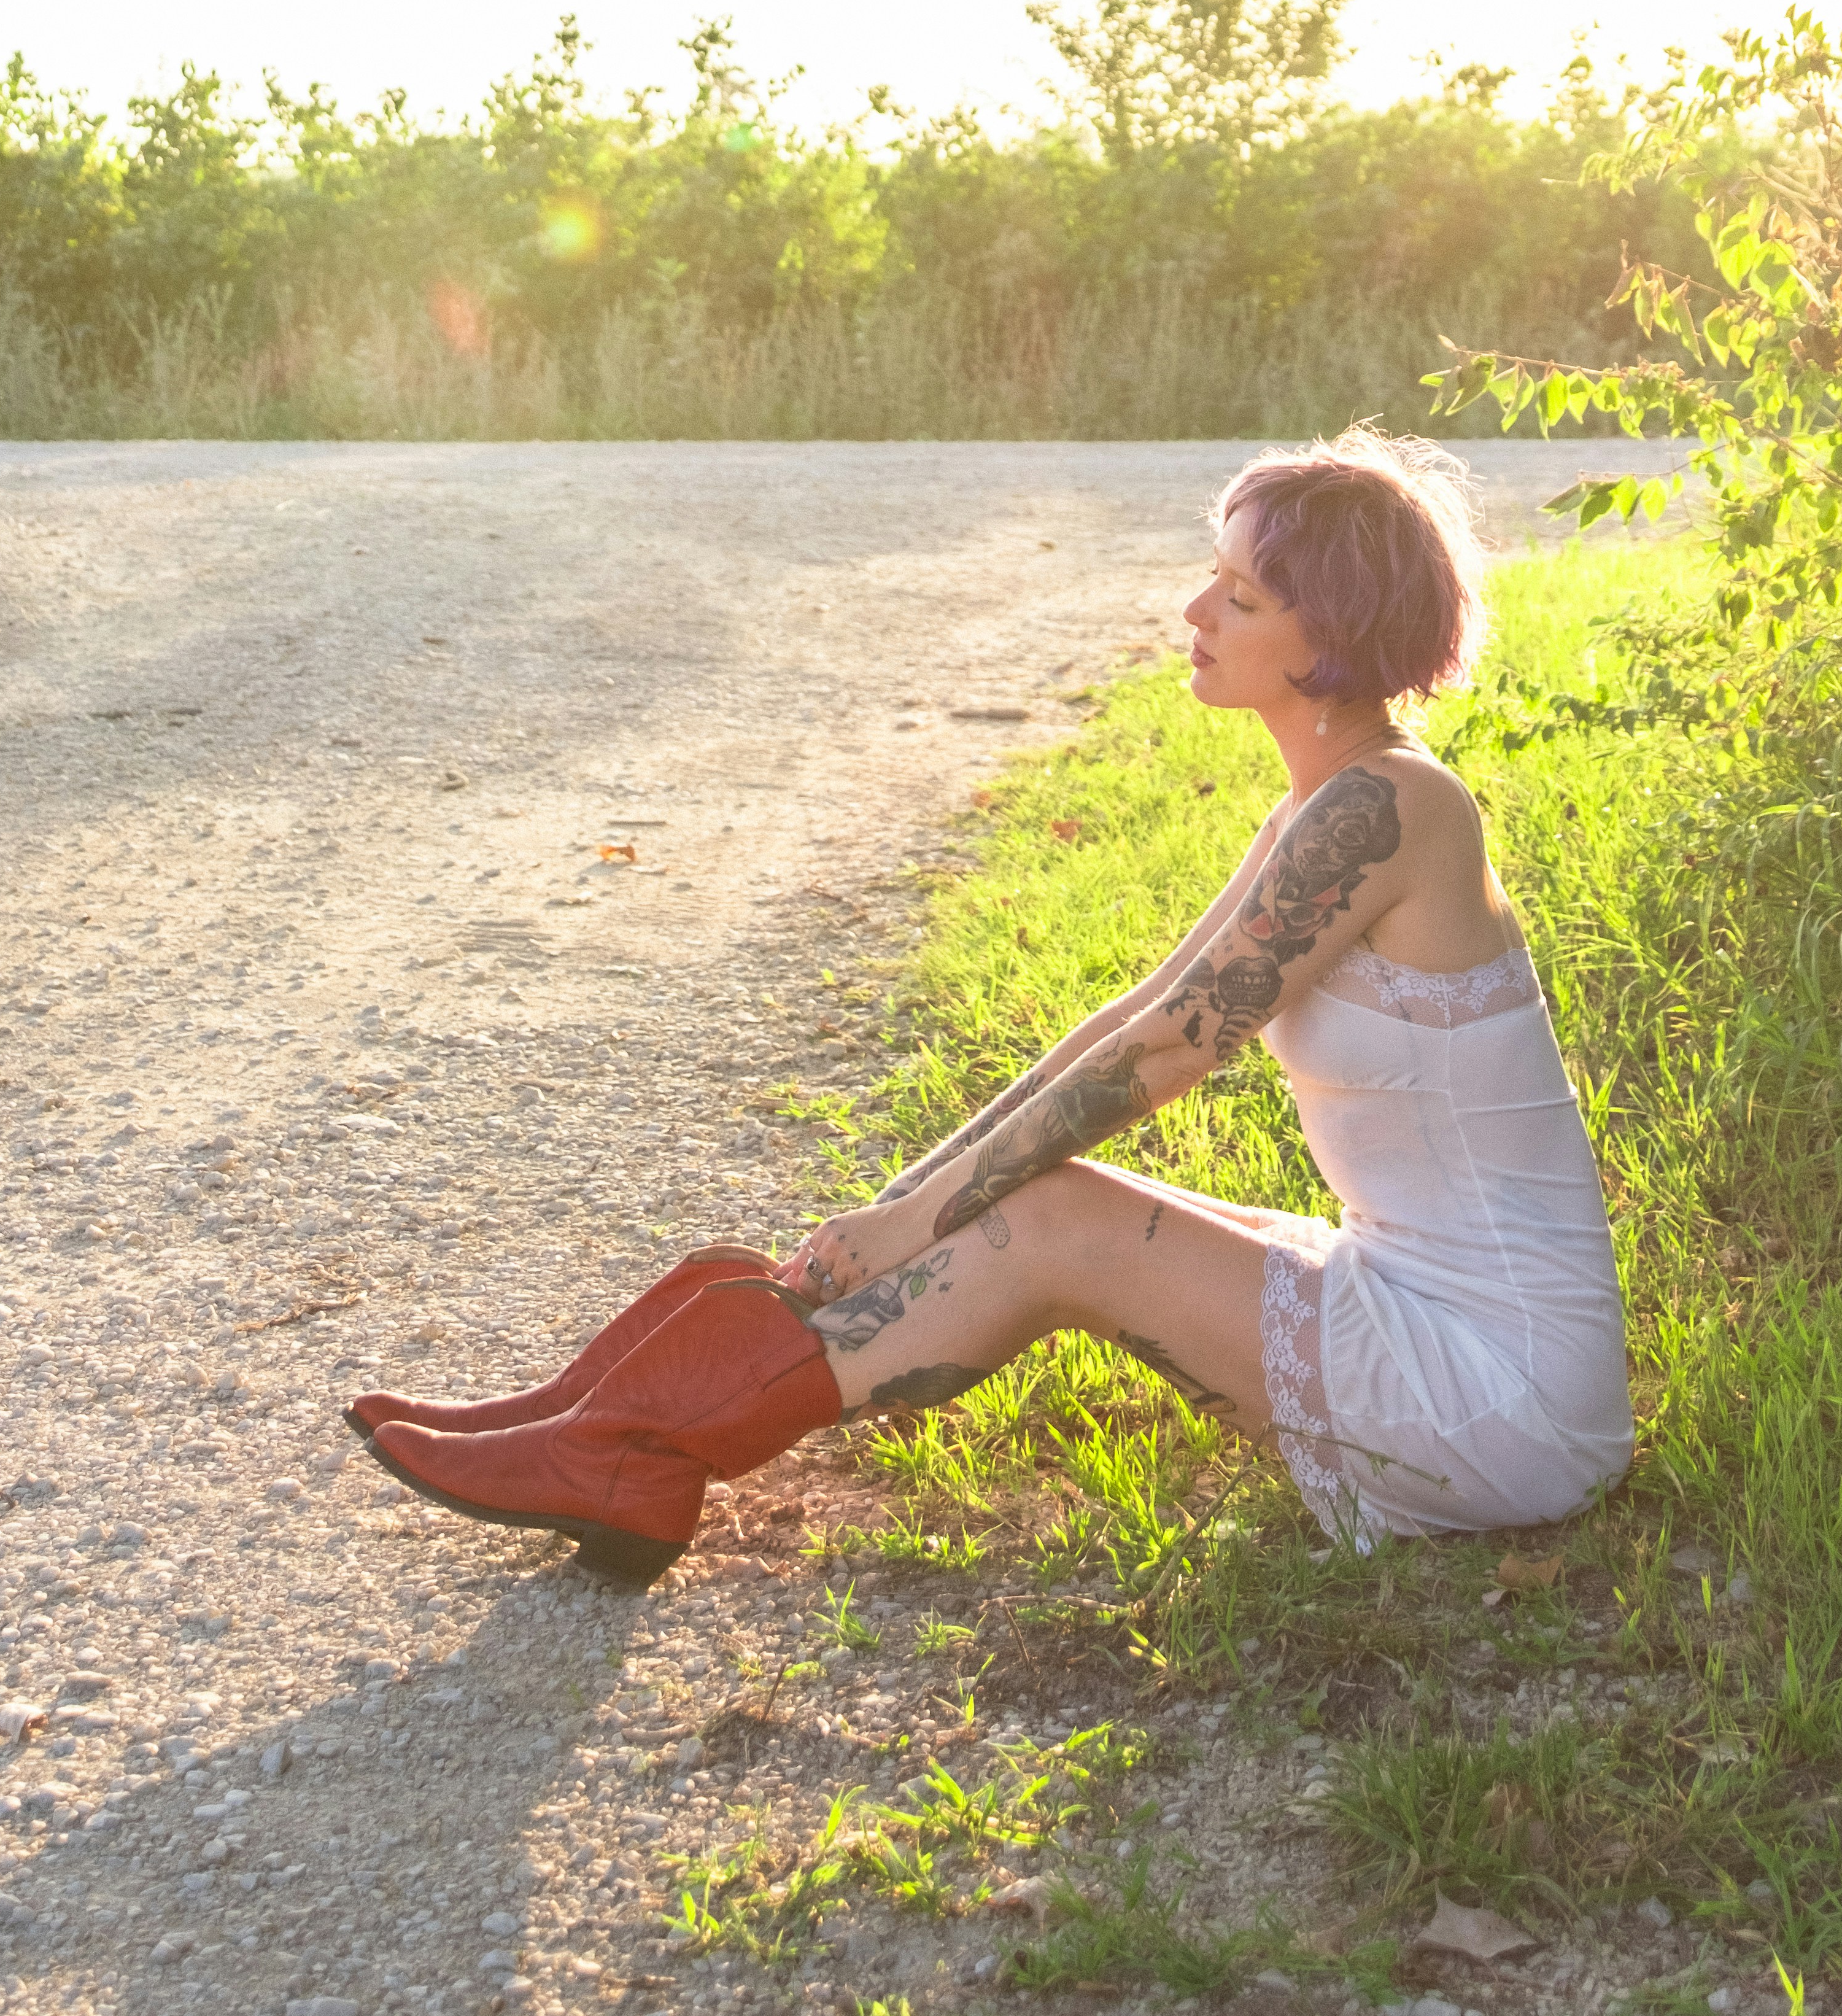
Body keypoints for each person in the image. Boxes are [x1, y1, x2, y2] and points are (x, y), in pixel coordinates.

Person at [344, 430, 1633, 1579]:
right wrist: (900, 1207)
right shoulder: (1325, 804)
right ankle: (596, 1425)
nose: (1196, 608)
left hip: (1501, 1386)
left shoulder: (1392, 808)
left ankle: (645, 1451)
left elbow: (1165, 1057)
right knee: (1030, 1198)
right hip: (1422, 1299)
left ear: (1330, 639)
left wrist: (912, 1218)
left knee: (1058, 1219)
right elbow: (1134, 1014)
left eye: (1239, 596)